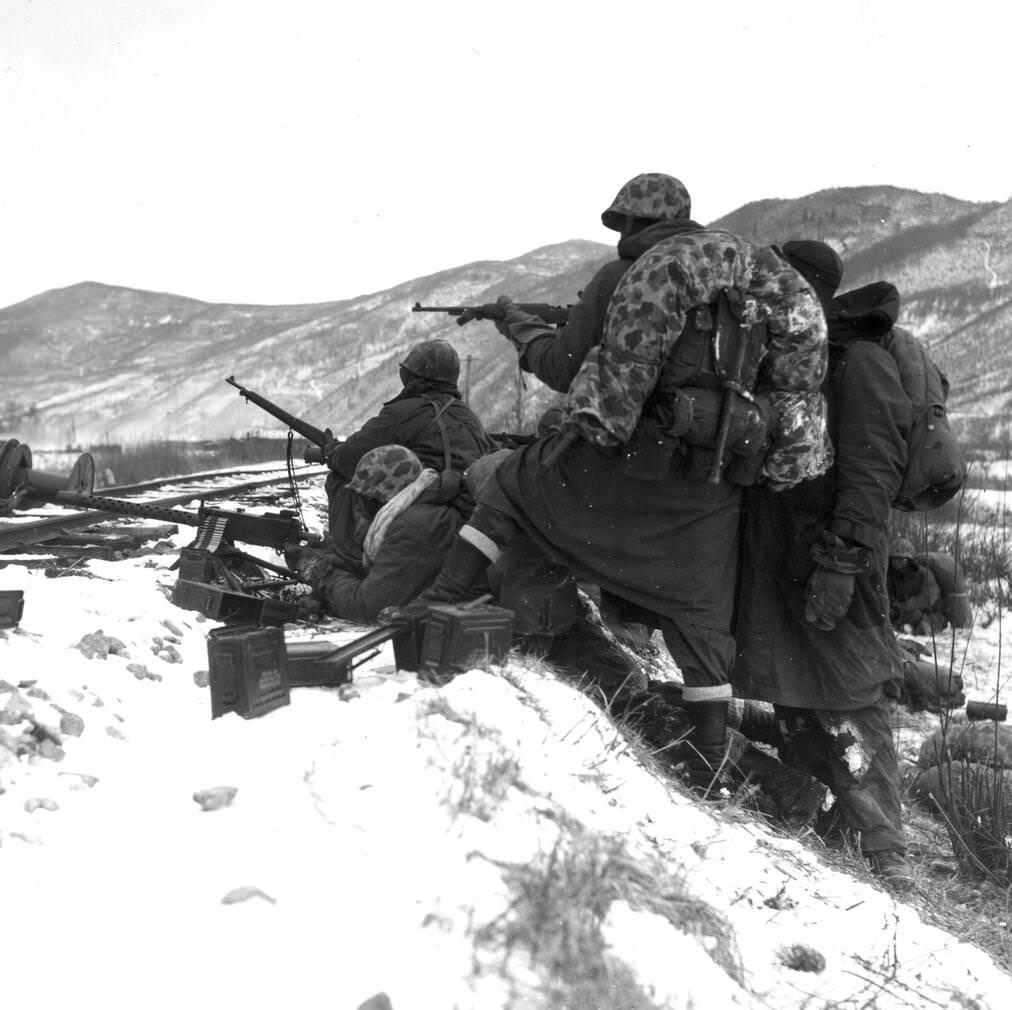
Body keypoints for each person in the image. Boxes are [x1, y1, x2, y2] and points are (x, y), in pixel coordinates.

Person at [391, 214, 832, 791]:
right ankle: (709, 759)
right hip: (707, 486)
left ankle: (442, 598)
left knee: (514, 485)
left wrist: (522, 329)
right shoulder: (764, 292)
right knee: (703, 621)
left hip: (625, 465)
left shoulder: (631, 277)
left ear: (636, 226)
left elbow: (571, 372)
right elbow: (791, 398)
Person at [732, 241, 915, 889]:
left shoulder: (858, 363)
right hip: (782, 558)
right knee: (794, 688)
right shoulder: (785, 356)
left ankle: (887, 852)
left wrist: (842, 563)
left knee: (852, 693)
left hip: (836, 559)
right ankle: (831, 818)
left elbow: (872, 475)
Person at [495, 173, 702, 392]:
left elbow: (562, 370)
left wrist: (521, 328)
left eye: (623, 225)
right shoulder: (715, 277)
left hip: (645, 423)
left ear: (632, 222)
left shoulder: (622, 277)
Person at [315, 339, 493, 568]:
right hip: (465, 515)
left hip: (415, 512)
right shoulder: (470, 417)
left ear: (412, 378)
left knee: (340, 478)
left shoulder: (402, 413)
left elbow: (348, 459)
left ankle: (346, 560)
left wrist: (333, 452)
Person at [287, 445, 463, 623]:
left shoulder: (417, 524)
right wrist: (334, 559)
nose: (358, 507)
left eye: (362, 498)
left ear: (378, 498)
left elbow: (368, 608)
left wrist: (320, 571)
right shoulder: (419, 511)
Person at [887, 536, 973, 635]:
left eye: (900, 559)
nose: (896, 563)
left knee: (922, 629)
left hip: (933, 616)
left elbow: (927, 598)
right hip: (908, 614)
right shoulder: (892, 576)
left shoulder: (924, 574)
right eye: (894, 559)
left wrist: (901, 608)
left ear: (909, 560)